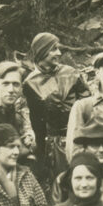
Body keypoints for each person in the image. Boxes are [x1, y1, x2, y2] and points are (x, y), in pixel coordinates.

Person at [24, 32, 90, 177]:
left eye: (58, 49)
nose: (59, 53)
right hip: (56, 144)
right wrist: (41, 153)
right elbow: (37, 121)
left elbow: (89, 106)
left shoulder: (71, 72)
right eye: (54, 49)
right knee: (63, 182)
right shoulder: (30, 83)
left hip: (80, 138)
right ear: (42, 51)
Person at [0, 61, 36, 148]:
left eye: (16, 84)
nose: (11, 90)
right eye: (6, 84)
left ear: (21, 87)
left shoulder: (10, 109)